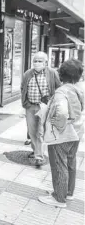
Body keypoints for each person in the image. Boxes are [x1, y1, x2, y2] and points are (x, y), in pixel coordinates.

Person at [38, 59, 84, 208]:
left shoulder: (61, 92)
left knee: (59, 165)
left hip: (63, 135)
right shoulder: (78, 89)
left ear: (61, 74)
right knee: (70, 162)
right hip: (76, 132)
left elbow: (62, 112)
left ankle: (59, 197)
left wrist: (57, 124)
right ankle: (68, 192)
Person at [21, 51, 61, 166]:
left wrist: (54, 103)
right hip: (30, 106)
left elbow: (59, 88)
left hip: (44, 107)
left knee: (39, 132)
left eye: (40, 61)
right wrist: (25, 104)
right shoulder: (27, 73)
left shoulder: (52, 73)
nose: (37, 63)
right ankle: (35, 150)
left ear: (45, 62)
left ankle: (39, 156)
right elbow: (23, 88)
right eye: (35, 61)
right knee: (32, 131)